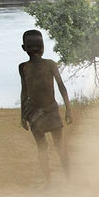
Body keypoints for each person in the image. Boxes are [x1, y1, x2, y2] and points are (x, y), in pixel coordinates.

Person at [18, 29, 71, 182]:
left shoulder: (50, 64)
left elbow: (61, 86)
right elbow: (24, 91)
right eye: (31, 46)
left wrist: (68, 109)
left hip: (51, 110)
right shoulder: (23, 68)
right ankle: (48, 181)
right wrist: (22, 115)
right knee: (42, 148)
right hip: (34, 113)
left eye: (38, 45)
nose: (35, 49)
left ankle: (69, 179)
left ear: (43, 47)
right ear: (24, 48)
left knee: (59, 146)